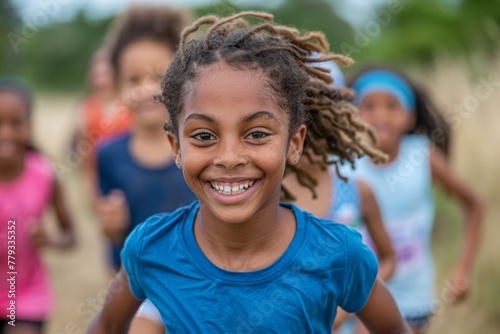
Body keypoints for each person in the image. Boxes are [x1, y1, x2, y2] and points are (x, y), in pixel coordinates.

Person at [87, 12, 412, 334]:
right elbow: (107, 325)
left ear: (294, 143)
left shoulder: (338, 255)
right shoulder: (150, 248)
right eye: (203, 136)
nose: (229, 157)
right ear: (176, 148)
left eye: (257, 134)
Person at [344, 68, 484, 333]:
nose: (380, 115)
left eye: (392, 106)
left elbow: (475, 205)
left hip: (412, 299)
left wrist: (463, 271)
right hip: (360, 295)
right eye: (369, 106)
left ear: (410, 117)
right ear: (353, 116)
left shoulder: (421, 157)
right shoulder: (345, 164)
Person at [94, 6, 195, 334]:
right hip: (140, 293)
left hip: (198, 288)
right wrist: (110, 227)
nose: (147, 88)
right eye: (134, 79)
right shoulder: (108, 155)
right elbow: (117, 246)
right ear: (116, 85)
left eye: (158, 76)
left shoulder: (199, 149)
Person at [282, 60, 396, 334]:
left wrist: (347, 307)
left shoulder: (357, 192)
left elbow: (388, 259)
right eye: (302, 130)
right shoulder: (268, 195)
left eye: (323, 129)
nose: (309, 142)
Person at [0, 78, 76, 334]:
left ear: (30, 126)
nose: (6, 133)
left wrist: (50, 240)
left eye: (16, 123)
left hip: (26, 299)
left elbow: (71, 236)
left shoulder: (44, 175)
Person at [76, 46, 133, 202]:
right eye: (97, 74)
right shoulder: (86, 110)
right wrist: (93, 196)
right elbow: (86, 162)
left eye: (106, 73)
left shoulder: (131, 104)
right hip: (103, 183)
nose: (102, 80)